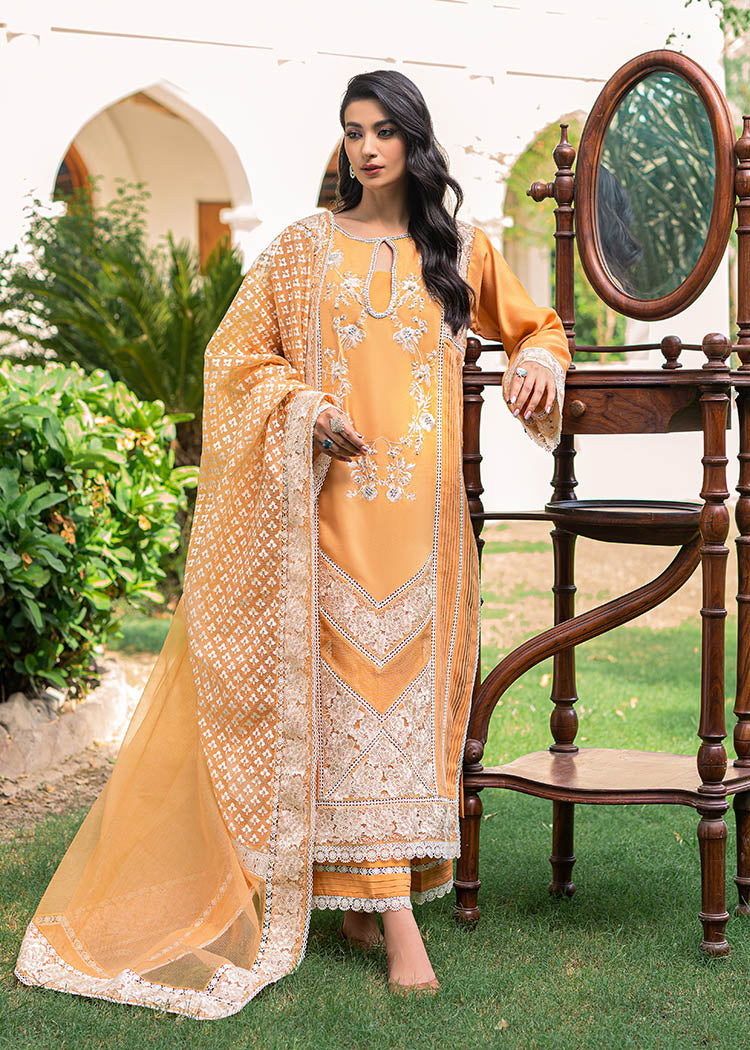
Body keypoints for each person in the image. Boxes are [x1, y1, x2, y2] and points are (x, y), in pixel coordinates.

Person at [15, 69, 570, 1019]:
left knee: (404, 717)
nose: (367, 147)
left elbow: (539, 326)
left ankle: (360, 899)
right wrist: (305, 408)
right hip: (326, 521)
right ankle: (395, 917)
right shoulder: (302, 249)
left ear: (414, 141)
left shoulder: (461, 249)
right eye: (354, 130)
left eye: (385, 131)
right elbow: (235, 360)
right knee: (346, 710)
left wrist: (540, 363)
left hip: (428, 532)